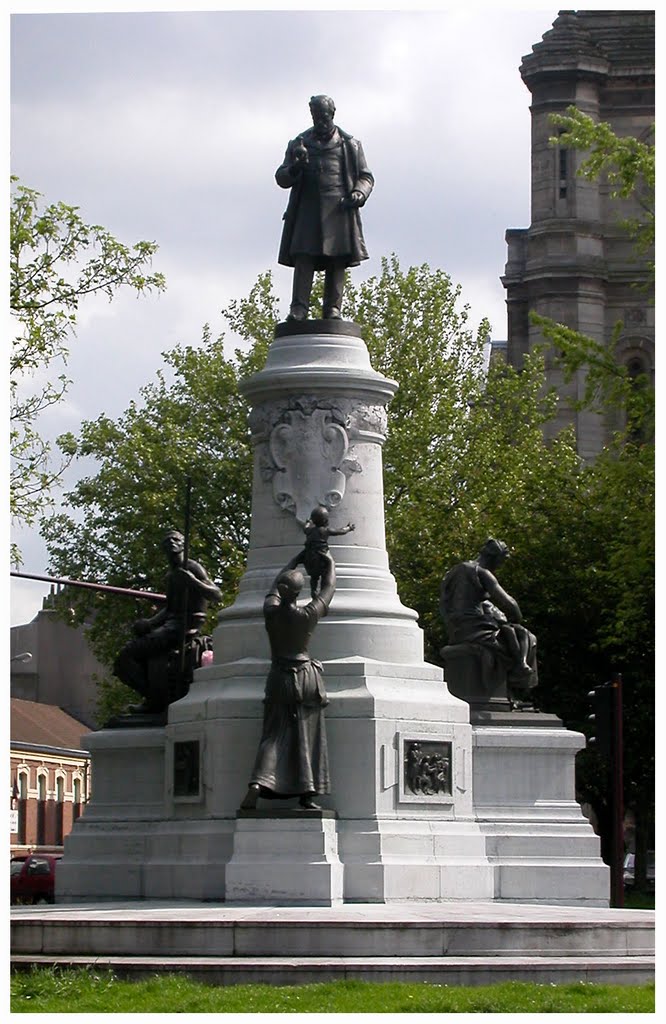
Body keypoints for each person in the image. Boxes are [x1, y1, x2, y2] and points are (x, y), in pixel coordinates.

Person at [240, 551, 336, 810]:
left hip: (279, 677)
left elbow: (273, 586)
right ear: (298, 592)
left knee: (273, 736)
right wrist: (328, 562)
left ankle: (258, 784)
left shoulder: (270, 612)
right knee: (308, 735)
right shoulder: (307, 616)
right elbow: (328, 588)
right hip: (305, 677)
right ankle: (307, 793)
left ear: (282, 591)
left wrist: (295, 559)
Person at [276, 94, 374, 321]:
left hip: (338, 209)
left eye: (323, 116)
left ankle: (333, 308)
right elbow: (282, 177)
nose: (319, 121)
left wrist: (359, 193)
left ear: (332, 114)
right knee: (304, 258)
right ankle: (299, 308)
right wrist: (296, 167)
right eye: (315, 116)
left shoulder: (350, 145)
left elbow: (366, 176)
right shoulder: (299, 144)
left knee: (336, 259)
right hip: (307, 209)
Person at [113, 530, 222, 713]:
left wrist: (192, 581)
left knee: (128, 655)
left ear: (183, 545)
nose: (171, 542)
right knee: (128, 654)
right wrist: (149, 623)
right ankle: (154, 697)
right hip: (170, 625)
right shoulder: (170, 575)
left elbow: (216, 594)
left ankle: (155, 699)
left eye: (176, 539)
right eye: (167, 540)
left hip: (185, 627)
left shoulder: (192, 567)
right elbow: (170, 609)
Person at [440, 538, 537, 694]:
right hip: (474, 628)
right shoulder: (482, 572)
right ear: (495, 557)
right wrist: (517, 616)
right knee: (524, 635)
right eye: (502, 561)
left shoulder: (455, 571)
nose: (500, 565)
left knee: (510, 634)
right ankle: (517, 683)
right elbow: (509, 603)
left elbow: (445, 602)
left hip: (456, 628)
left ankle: (517, 676)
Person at [297, 505, 354, 597]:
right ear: (325, 520)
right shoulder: (325, 531)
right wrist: (349, 528)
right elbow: (340, 531)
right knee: (325, 574)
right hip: (322, 557)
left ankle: (314, 592)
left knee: (314, 577)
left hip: (310, 557)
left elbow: (305, 528)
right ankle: (323, 592)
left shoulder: (309, 530)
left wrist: (308, 522)